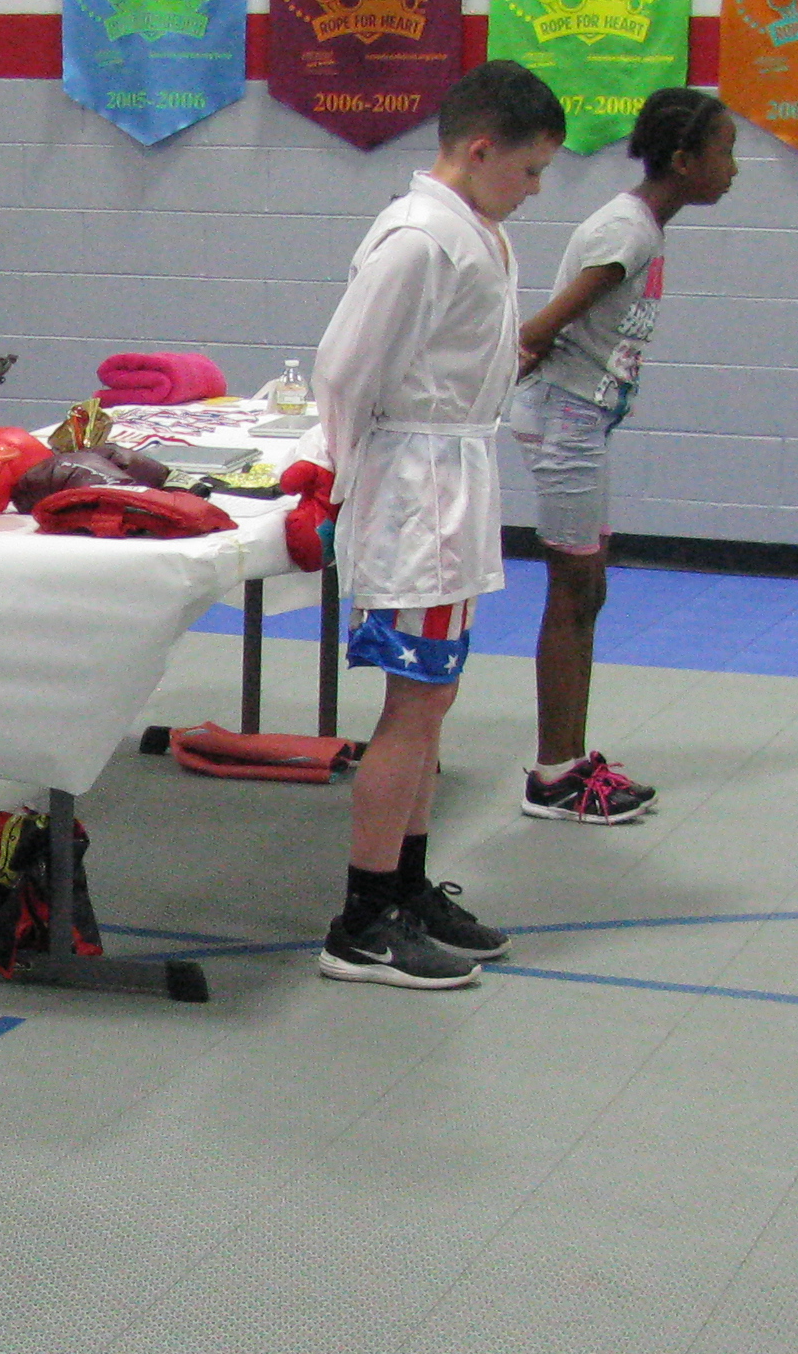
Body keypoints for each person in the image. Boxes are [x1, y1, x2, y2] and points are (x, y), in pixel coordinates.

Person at [310, 59, 567, 993]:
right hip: (412, 493)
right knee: (412, 706)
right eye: (530, 170)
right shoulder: (420, 238)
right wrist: (342, 485)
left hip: (454, 481)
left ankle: (405, 886)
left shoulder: (478, 231)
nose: (535, 190)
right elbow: (343, 370)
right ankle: (360, 921)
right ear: (481, 149)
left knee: (434, 702)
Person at [507, 86, 739, 824]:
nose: (734, 169)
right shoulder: (628, 233)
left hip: (582, 422)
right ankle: (553, 777)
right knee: (573, 592)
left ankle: (571, 762)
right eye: (725, 152)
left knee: (589, 592)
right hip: (565, 422)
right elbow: (535, 332)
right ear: (684, 160)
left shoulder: (642, 227)